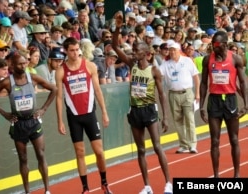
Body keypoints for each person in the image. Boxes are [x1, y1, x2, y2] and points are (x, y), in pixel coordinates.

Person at [112, 11, 172, 194]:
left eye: (137, 50)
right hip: (135, 110)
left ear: (146, 53)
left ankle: (168, 182)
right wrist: (118, 27)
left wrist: (165, 117)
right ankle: (147, 186)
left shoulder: (154, 71)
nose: (133, 52)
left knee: (156, 146)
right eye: (133, 50)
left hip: (149, 110)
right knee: (140, 149)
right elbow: (115, 46)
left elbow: (161, 95)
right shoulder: (132, 64)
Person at [55, 37, 113, 194]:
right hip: (73, 117)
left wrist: (105, 113)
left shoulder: (89, 66)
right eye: (72, 50)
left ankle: (104, 183)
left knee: (99, 151)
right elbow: (59, 97)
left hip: (90, 115)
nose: (75, 53)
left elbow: (98, 90)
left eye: (77, 50)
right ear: (66, 51)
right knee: (80, 153)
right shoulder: (61, 71)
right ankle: (85, 188)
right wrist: (59, 120)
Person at [0, 53, 57, 194]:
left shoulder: (33, 78)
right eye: (20, 64)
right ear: (12, 65)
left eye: (25, 63)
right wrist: (4, 113)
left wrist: (43, 109)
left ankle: (47, 190)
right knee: (23, 159)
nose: (24, 66)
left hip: (34, 122)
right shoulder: (7, 82)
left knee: (41, 155)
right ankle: (27, 191)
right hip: (19, 124)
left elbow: (54, 89)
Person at [200, 31, 247, 178]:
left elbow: (243, 82)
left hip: (230, 100)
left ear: (225, 44)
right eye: (212, 44)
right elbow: (203, 83)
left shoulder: (236, 59)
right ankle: (216, 175)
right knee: (214, 141)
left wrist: (246, 104)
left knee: (234, 139)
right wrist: (201, 105)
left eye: (217, 45)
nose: (214, 48)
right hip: (214, 101)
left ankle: (237, 174)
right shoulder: (207, 59)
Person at [160, 42, 200, 154]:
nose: (172, 52)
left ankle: (192, 144)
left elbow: (196, 77)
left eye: (174, 50)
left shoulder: (187, 60)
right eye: (170, 50)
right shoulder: (166, 63)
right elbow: (158, 73)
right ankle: (183, 144)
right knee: (177, 120)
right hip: (173, 94)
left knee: (189, 119)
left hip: (187, 93)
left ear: (178, 51)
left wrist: (197, 93)